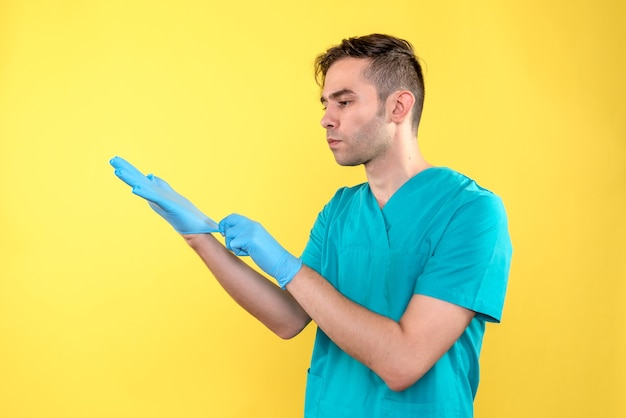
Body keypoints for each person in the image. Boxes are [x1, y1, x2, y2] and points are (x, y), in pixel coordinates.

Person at [110, 33, 512, 417]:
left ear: (398, 107)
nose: (326, 119)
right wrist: (198, 237)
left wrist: (288, 267)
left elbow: (403, 362)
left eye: (344, 102)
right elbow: (288, 318)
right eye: (325, 104)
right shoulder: (340, 210)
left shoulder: (471, 212)